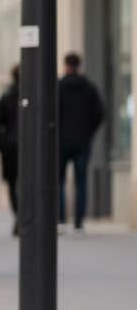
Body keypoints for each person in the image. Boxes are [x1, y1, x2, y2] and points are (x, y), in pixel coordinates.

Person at [59, 52, 104, 233]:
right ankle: (78, 223)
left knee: (59, 181)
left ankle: (61, 219)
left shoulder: (58, 87)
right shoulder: (89, 87)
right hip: (82, 141)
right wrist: (88, 130)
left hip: (61, 141)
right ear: (79, 65)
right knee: (80, 182)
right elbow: (100, 113)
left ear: (65, 65)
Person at [0, 65, 20, 235]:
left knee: (12, 184)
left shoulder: (7, 97)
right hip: (31, 147)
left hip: (10, 146)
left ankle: (18, 215)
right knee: (29, 183)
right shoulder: (35, 96)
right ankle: (24, 217)